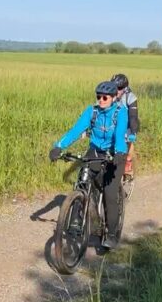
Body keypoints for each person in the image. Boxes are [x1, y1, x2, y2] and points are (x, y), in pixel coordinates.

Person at [49, 81, 129, 250]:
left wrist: (120, 152)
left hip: (115, 153)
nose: (101, 100)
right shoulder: (92, 112)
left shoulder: (121, 113)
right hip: (95, 151)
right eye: (98, 96)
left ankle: (112, 233)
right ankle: (78, 220)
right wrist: (59, 146)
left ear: (114, 98)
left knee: (109, 193)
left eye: (105, 97)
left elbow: (121, 135)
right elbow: (75, 130)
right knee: (82, 181)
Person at [111, 73, 139, 179]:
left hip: (129, 123)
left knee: (128, 140)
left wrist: (133, 132)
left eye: (119, 88)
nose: (116, 90)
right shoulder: (109, 94)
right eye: (114, 87)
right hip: (114, 122)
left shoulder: (130, 97)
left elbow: (133, 116)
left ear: (125, 88)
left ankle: (128, 161)